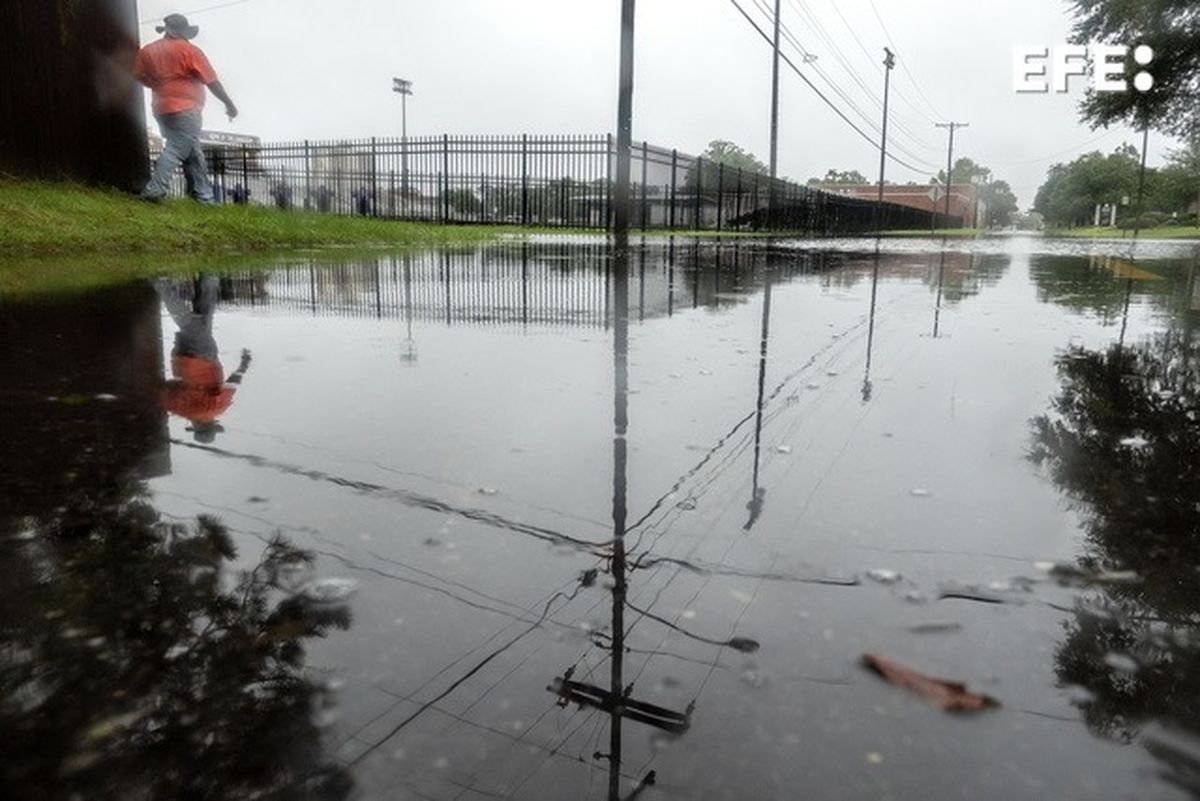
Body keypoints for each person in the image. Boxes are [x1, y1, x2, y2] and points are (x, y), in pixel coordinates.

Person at [135, 14, 238, 203]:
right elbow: (212, 82)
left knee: (193, 151)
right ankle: (154, 190)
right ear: (183, 32)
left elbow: (139, 76)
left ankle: (203, 197)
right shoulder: (190, 51)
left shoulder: (148, 51)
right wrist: (229, 104)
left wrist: (159, 85)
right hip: (186, 109)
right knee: (175, 148)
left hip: (161, 109)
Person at [155, 275, 251, 444]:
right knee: (203, 320)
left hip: (204, 358)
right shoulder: (181, 410)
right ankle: (208, 279)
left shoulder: (215, 409)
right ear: (196, 426)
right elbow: (163, 391)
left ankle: (162, 283)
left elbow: (231, 384)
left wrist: (244, 365)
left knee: (188, 322)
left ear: (211, 425)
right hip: (181, 359)